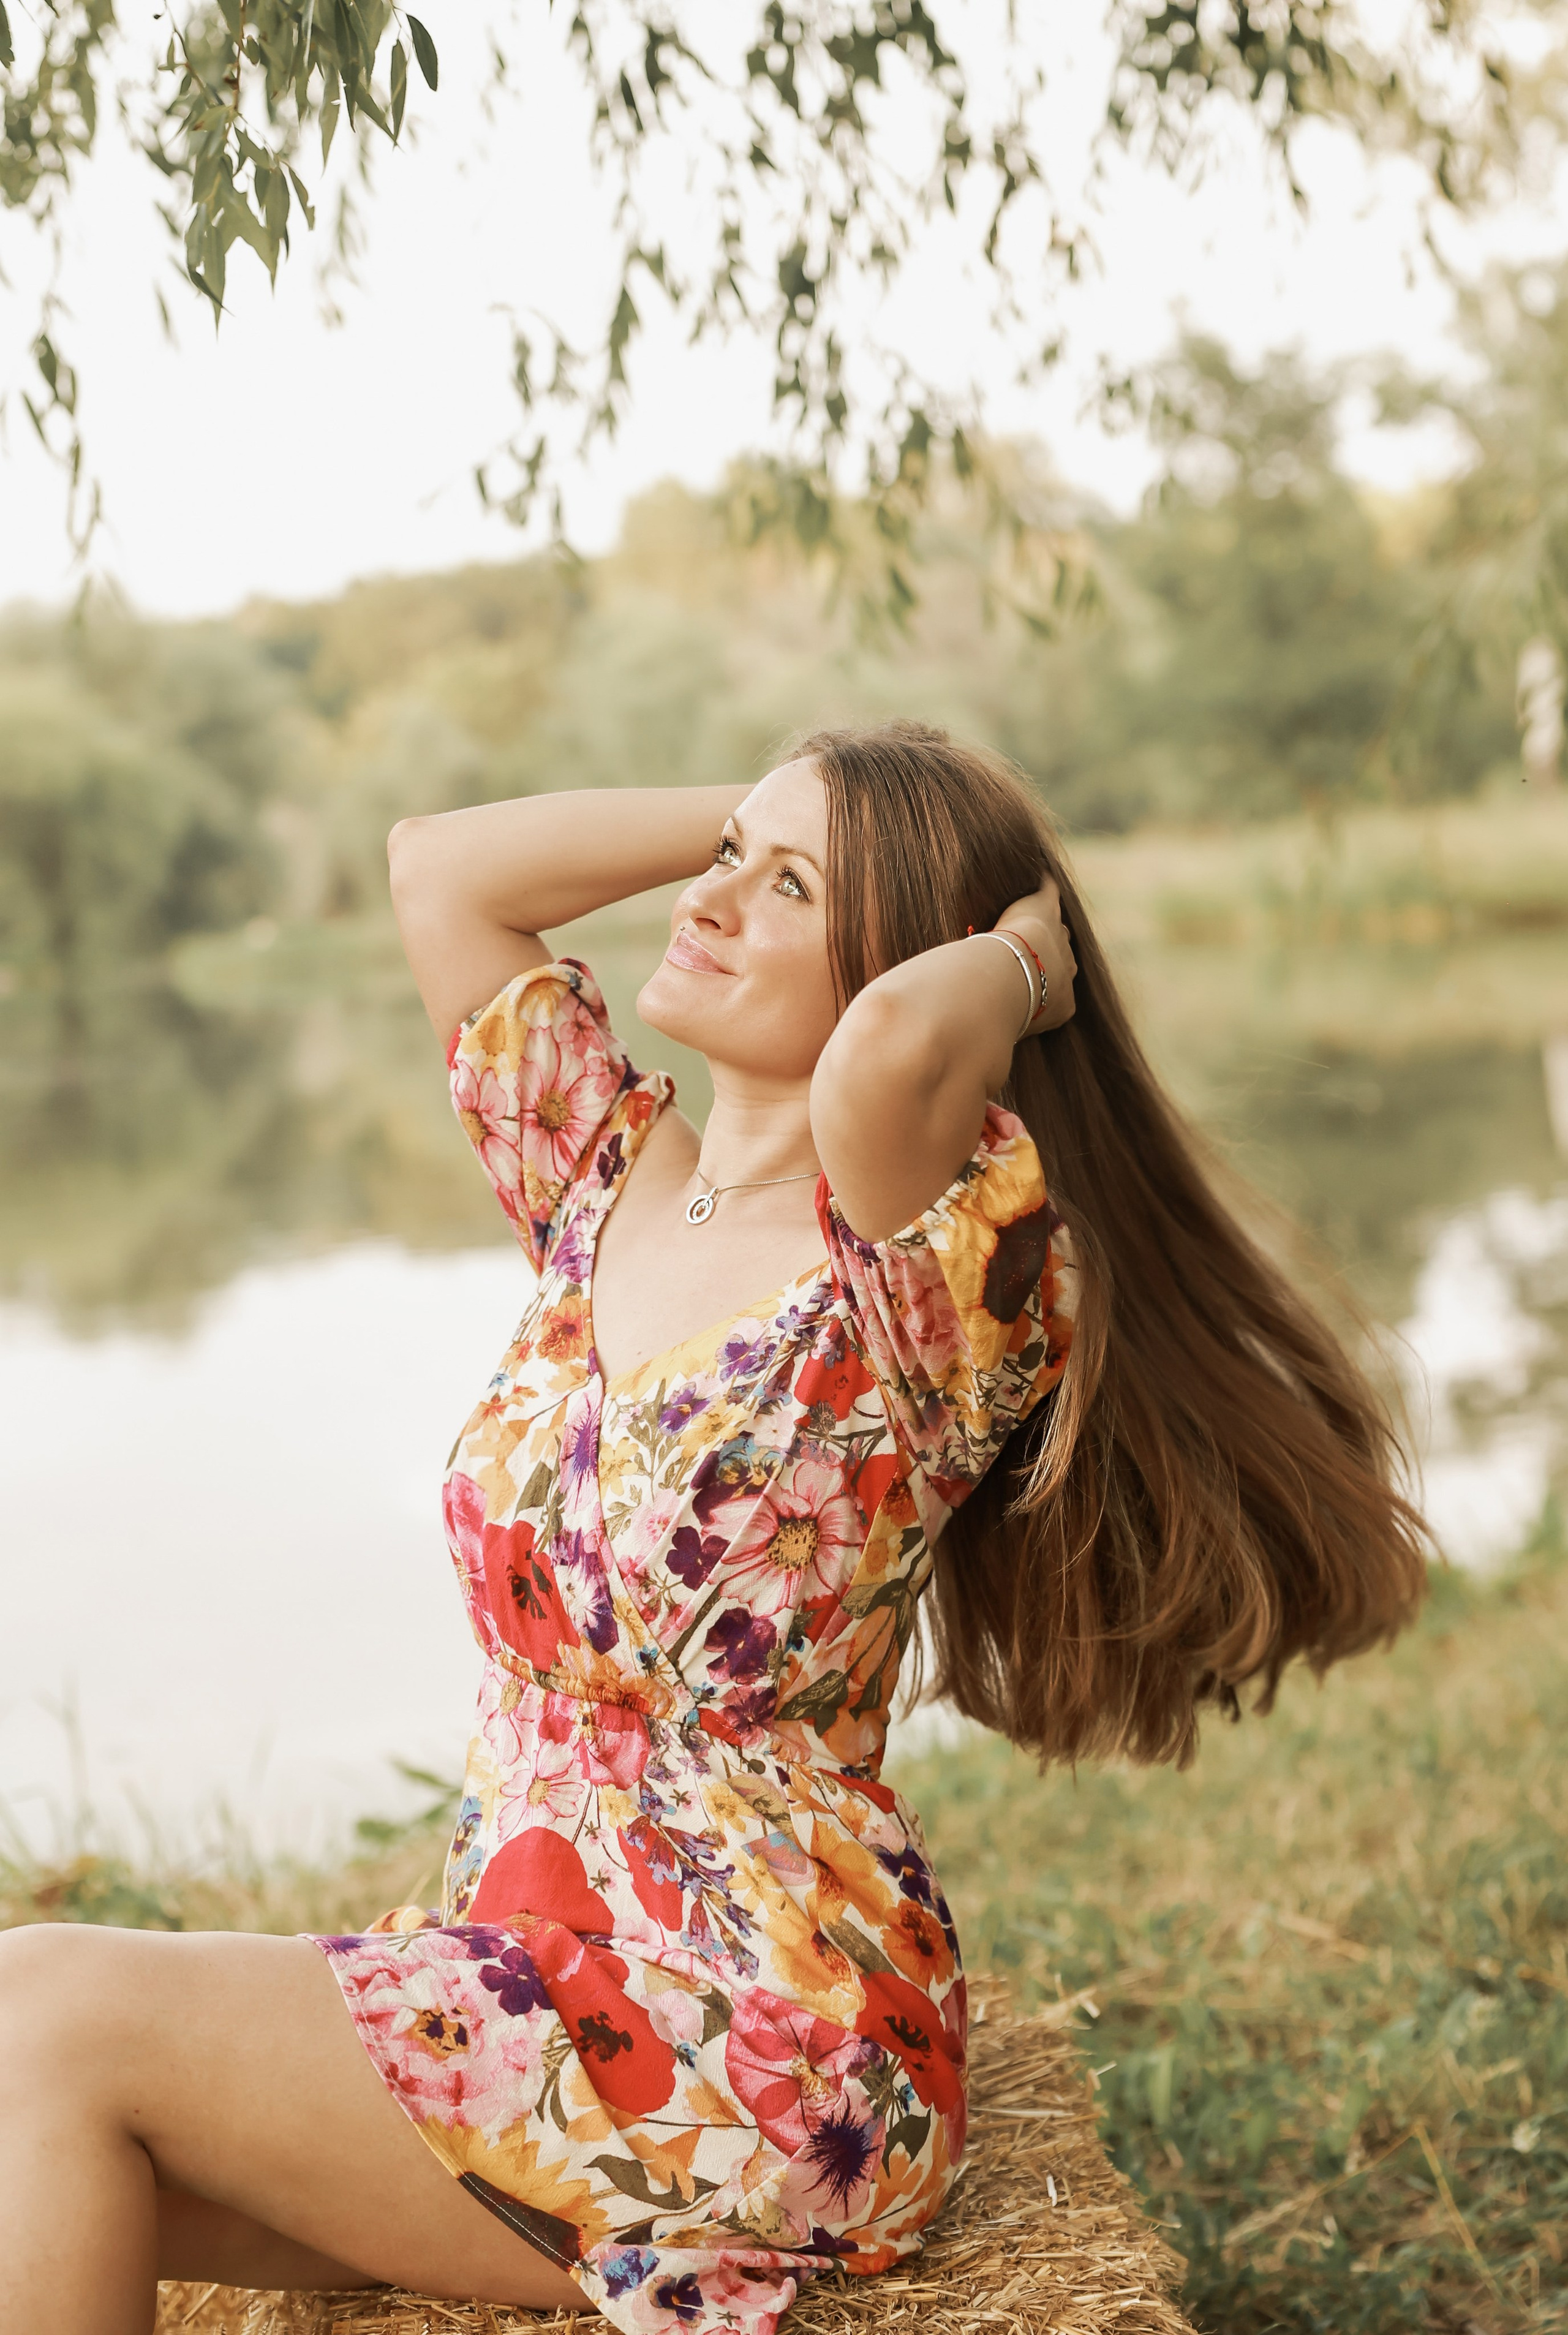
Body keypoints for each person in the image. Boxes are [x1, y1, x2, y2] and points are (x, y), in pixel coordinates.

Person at [0, 722, 1426, 2335]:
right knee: (41, 2138)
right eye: (725, 858)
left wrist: (1029, 957)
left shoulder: (923, 1265)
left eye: (792, 886)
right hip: (530, 1972)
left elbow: (890, 1047)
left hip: (757, 2020)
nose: (720, 894)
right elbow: (440, 868)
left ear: (901, 951)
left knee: (40, 2006)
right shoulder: (594, 1183)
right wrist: (776, 806)